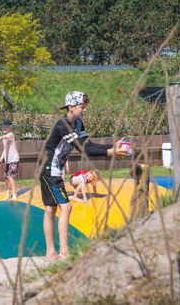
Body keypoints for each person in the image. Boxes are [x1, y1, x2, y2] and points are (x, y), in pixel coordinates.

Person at [40, 91, 130, 260]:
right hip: (48, 169)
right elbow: (83, 149)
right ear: (71, 107)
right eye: (82, 107)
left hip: (54, 169)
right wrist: (110, 152)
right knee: (65, 207)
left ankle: (51, 252)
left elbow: (87, 144)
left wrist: (112, 145)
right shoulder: (63, 125)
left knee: (50, 210)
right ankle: (64, 252)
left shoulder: (78, 123)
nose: (85, 110)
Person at [0, 120, 20, 200]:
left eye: (5, 127)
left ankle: (14, 194)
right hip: (8, 160)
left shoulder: (10, 135)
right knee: (6, 177)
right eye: (2, 127)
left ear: (9, 128)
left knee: (10, 176)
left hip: (13, 159)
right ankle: (7, 194)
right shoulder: (5, 138)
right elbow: (5, 149)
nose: (3, 128)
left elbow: (1, 137)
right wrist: (1, 159)